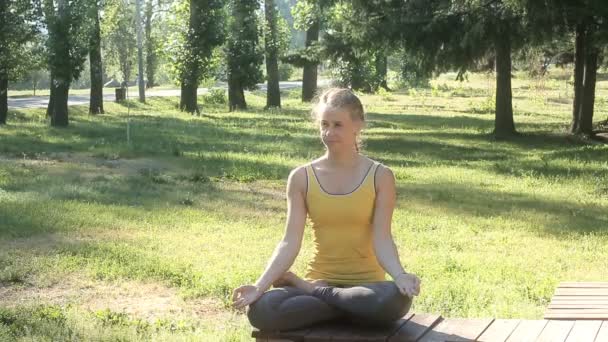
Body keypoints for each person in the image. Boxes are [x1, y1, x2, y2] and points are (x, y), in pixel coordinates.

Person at [232, 88, 421, 331]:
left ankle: (319, 295)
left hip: (367, 288)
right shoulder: (301, 177)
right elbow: (290, 241)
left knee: (393, 299)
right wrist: (259, 286)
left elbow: (382, 237)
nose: (329, 133)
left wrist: (400, 275)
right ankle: (342, 305)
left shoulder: (380, 176)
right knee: (262, 311)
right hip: (323, 281)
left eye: (338, 125)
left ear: (358, 125)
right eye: (324, 124)